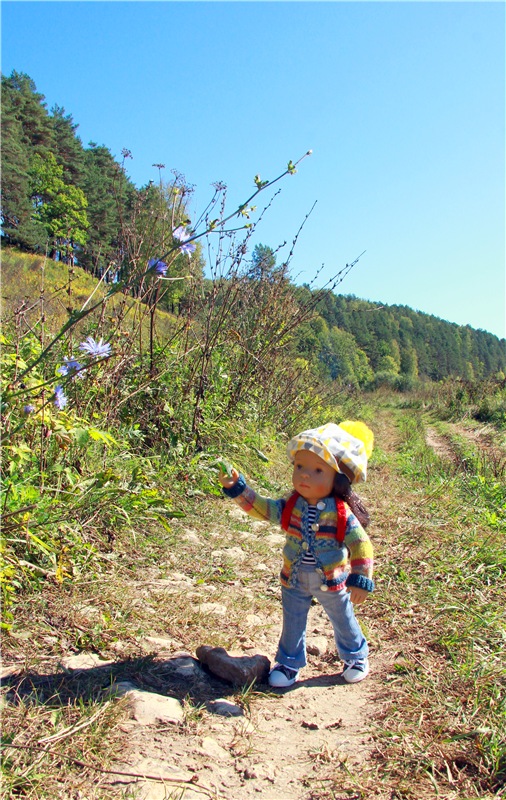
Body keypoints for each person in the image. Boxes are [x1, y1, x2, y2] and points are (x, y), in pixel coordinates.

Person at [218, 421, 375, 688]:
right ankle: (289, 663)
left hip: (332, 580)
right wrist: (238, 489)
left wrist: (360, 577)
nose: (304, 475)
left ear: (338, 480)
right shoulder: (291, 506)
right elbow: (263, 509)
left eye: (316, 470)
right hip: (294, 579)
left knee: (343, 617)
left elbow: (362, 544)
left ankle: (356, 656)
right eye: (299, 467)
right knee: (292, 621)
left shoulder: (340, 513)